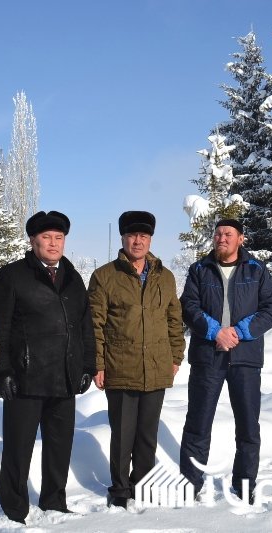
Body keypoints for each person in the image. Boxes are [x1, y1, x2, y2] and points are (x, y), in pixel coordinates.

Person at [0, 210, 96, 524]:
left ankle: (54, 500)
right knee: (18, 448)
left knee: (60, 446)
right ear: (33, 241)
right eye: (46, 237)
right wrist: (2, 370)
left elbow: (85, 326)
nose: (53, 243)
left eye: (58, 237)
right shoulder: (13, 275)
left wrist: (87, 365)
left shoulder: (73, 277)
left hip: (64, 377)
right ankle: (14, 509)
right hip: (26, 379)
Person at [87, 211, 186, 508]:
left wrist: (176, 356)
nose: (138, 241)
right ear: (123, 238)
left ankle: (143, 485)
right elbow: (94, 324)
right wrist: (98, 364)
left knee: (147, 435)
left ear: (150, 239)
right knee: (123, 434)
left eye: (143, 236)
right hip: (120, 367)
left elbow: (174, 320)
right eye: (132, 235)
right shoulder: (105, 276)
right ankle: (119, 489)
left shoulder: (164, 277)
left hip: (156, 366)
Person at [179, 218, 272, 504]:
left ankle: (245, 485)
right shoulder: (199, 270)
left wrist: (240, 331)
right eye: (218, 234)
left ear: (241, 239)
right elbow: (189, 307)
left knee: (248, 426)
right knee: (198, 423)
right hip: (207, 356)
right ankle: (190, 484)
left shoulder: (256, 270)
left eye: (228, 234)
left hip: (245, 358)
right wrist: (216, 332)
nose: (222, 238)